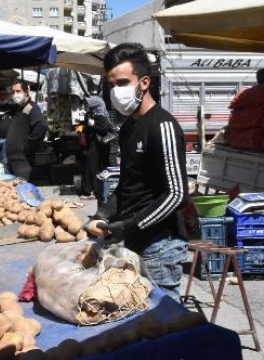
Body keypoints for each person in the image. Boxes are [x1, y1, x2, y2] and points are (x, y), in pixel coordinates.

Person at [87, 43, 189, 302]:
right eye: (111, 85)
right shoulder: (129, 127)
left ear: (144, 83)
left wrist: (130, 225)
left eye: (122, 82)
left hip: (160, 245)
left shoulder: (162, 125)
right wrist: (104, 213)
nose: (115, 91)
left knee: (164, 323)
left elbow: (177, 194)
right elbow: (129, 182)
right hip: (134, 242)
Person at [4, 79, 48, 181]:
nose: (15, 94)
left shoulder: (31, 108)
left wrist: (28, 144)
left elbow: (42, 125)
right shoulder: (18, 108)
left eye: (18, 91)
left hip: (22, 160)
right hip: (12, 158)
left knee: (23, 189)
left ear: (26, 92)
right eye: (13, 92)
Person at [79, 95, 114, 200]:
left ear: (95, 105)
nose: (86, 105)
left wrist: (91, 125)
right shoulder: (92, 114)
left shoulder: (100, 115)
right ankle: (94, 190)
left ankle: (91, 192)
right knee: (92, 167)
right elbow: (85, 128)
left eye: (88, 104)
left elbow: (104, 130)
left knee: (92, 167)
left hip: (99, 147)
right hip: (94, 146)